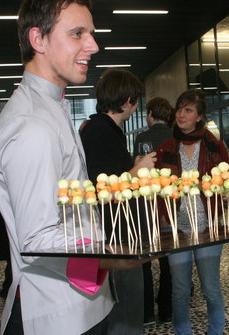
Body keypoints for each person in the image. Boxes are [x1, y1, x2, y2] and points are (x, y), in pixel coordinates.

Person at [0, 0, 148, 335]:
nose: (93, 45)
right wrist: (117, 256)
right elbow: (39, 238)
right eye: (77, 34)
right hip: (58, 315)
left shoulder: (51, 107)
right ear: (38, 40)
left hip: (81, 304)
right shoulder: (31, 125)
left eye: (90, 33)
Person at [80, 68, 157, 335]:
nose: (135, 107)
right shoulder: (101, 131)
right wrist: (137, 171)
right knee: (125, 305)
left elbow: (109, 174)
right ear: (127, 102)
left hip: (118, 232)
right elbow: (102, 187)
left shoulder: (102, 128)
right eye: (135, 101)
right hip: (115, 235)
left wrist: (131, 168)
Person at [156, 89, 228, 335]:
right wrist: (163, 217)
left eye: (188, 110)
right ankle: (182, 332)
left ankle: (216, 331)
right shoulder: (166, 147)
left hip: (208, 226)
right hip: (176, 228)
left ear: (200, 116)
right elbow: (157, 188)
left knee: (210, 287)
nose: (181, 115)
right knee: (179, 289)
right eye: (179, 109)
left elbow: (225, 180)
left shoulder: (215, 147)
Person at [133, 97, 173, 325]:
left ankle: (147, 312)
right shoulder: (175, 138)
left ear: (150, 113)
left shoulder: (142, 138)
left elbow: (138, 172)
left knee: (145, 260)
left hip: (146, 205)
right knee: (169, 259)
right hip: (168, 204)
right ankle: (166, 310)